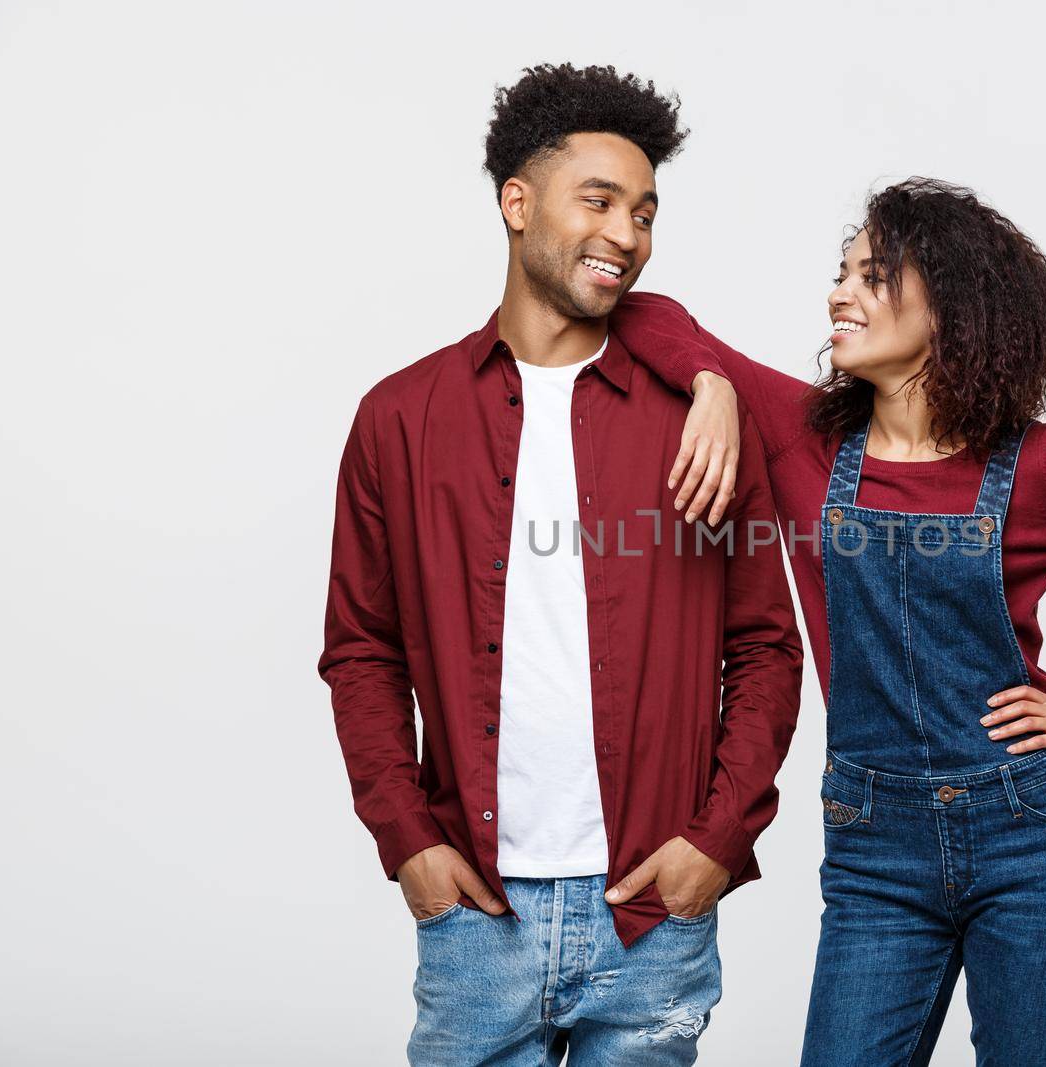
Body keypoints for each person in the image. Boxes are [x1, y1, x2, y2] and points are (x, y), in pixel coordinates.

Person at [609, 177, 1046, 1065]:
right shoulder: (809, 439)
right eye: (841, 272)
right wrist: (713, 384)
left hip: (1032, 838)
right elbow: (645, 312)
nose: (838, 293)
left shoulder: (1040, 469)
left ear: (951, 308)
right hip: (876, 848)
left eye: (872, 275)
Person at [316, 63, 804, 1066]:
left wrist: (718, 835)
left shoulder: (701, 421)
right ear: (516, 202)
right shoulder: (399, 419)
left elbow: (763, 645)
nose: (627, 232)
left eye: (645, 210)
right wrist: (407, 838)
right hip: (477, 916)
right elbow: (361, 649)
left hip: (651, 915)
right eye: (599, 200)